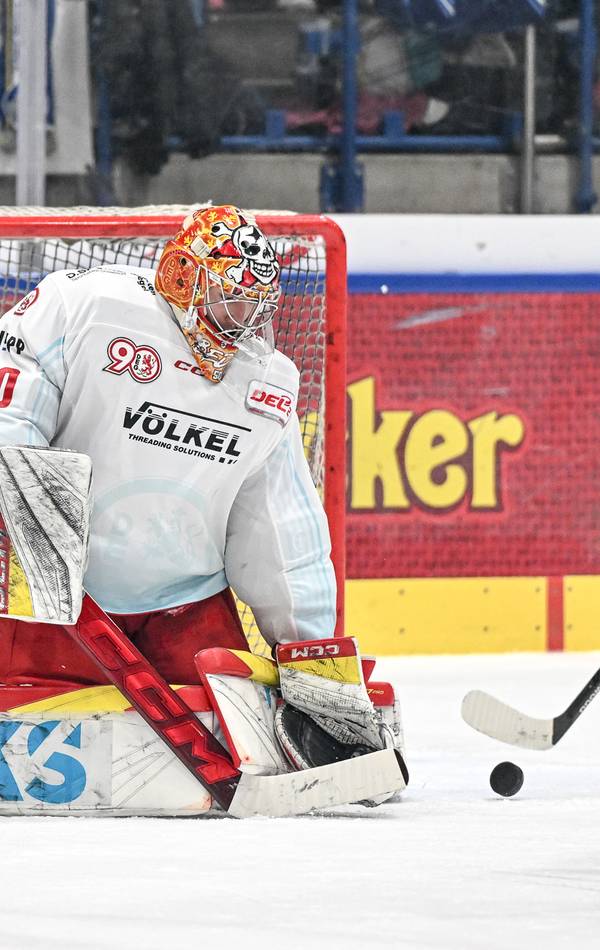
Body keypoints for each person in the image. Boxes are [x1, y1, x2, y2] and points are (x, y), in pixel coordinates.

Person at [0, 205, 400, 787]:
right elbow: (10, 416)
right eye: (231, 302)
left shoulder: (267, 385)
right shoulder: (83, 305)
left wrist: (314, 661)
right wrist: (33, 534)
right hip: (53, 601)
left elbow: (281, 532)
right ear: (182, 276)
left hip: (185, 608)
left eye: (256, 309)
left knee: (239, 743)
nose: (243, 326)